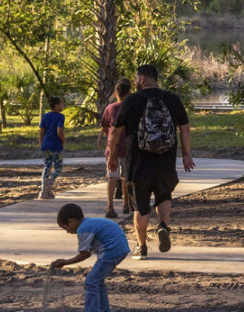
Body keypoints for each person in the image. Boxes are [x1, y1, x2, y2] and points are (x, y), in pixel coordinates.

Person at [115, 62, 194, 257]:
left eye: (136, 78)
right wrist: (186, 154)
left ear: (141, 79)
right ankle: (164, 226)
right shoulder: (172, 99)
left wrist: (112, 156)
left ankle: (141, 247)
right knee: (164, 196)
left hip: (137, 163)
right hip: (165, 160)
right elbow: (184, 128)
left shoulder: (131, 101)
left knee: (140, 207)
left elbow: (115, 131)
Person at [52, 202, 131, 312]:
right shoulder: (89, 223)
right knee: (97, 281)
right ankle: (103, 309)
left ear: (71, 221)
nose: (67, 232)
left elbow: (84, 254)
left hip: (111, 251)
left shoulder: (83, 229)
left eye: (66, 228)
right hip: (119, 249)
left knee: (90, 282)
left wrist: (65, 262)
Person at [99, 79, 132, 218]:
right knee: (125, 177)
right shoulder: (131, 107)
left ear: (115, 93)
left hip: (112, 147)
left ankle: (110, 206)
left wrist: (109, 139)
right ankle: (126, 204)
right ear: (129, 93)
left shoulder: (110, 108)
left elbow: (105, 126)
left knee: (112, 177)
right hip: (127, 147)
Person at [40, 94, 66, 199]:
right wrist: (63, 140)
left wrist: (41, 143)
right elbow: (59, 130)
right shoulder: (60, 116)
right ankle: (49, 184)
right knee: (58, 167)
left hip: (45, 145)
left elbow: (41, 131)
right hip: (56, 145)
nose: (62, 105)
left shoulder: (45, 116)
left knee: (47, 166)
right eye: (61, 104)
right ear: (56, 105)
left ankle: (44, 190)